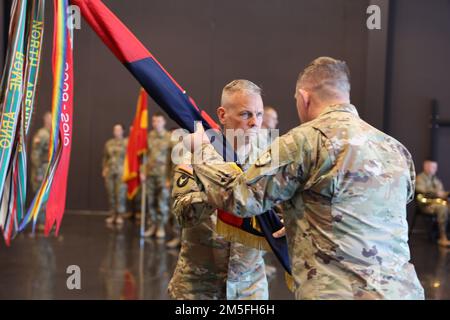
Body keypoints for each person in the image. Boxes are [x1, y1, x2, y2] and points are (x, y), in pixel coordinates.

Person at [188, 57, 424, 300]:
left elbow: (239, 198)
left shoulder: (304, 141)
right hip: (404, 291)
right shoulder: (396, 149)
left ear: (304, 97)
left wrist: (202, 151)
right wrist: (294, 216)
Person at [168, 80, 269, 300]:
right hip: (198, 287)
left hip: (249, 289)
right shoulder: (195, 156)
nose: (255, 123)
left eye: (259, 114)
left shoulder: (269, 161)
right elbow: (183, 215)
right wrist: (217, 187)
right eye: (246, 114)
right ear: (222, 115)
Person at [142, 112, 172, 239]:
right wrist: (143, 171)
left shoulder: (170, 137)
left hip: (163, 175)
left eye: (159, 121)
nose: (156, 124)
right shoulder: (149, 136)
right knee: (151, 201)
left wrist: (169, 177)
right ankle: (153, 225)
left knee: (162, 202)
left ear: (164, 122)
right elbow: (145, 156)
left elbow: (172, 159)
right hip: (150, 174)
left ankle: (160, 227)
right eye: (154, 121)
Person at [416, 159, 450, 247]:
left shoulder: (437, 180)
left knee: (445, 206)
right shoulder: (420, 178)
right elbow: (420, 190)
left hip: (436, 203)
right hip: (425, 205)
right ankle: (443, 237)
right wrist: (436, 193)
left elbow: (442, 193)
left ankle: (444, 234)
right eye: (432, 167)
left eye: (435, 167)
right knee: (442, 208)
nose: (434, 169)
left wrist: (445, 194)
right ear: (425, 166)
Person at [30, 111, 52, 231]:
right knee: (42, 196)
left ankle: (46, 221)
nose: (51, 121)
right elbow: (35, 154)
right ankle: (41, 223)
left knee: (47, 197)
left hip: (47, 170)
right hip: (41, 170)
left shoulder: (51, 133)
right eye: (50, 119)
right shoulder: (42, 134)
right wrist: (38, 172)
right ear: (46, 120)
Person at [102, 124, 127, 226]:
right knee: (111, 193)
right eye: (115, 130)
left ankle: (120, 215)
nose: (116, 131)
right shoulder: (109, 143)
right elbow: (105, 157)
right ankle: (112, 214)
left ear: (122, 131)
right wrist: (104, 168)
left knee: (120, 194)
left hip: (121, 172)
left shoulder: (126, 143)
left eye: (118, 130)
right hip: (110, 171)